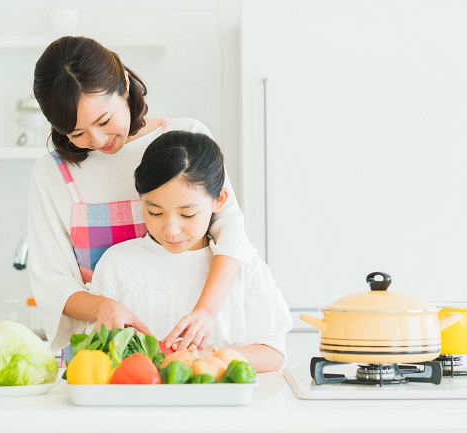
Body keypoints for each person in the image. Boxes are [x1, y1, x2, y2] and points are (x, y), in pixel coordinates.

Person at [28, 36, 257, 352]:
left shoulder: (184, 139)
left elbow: (230, 229)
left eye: (104, 120)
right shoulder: (52, 173)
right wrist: (102, 307)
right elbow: (52, 281)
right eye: (77, 133)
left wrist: (206, 311)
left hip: (197, 346)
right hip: (104, 354)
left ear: (123, 84)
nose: (97, 140)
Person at [86, 131, 292, 372]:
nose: (171, 230)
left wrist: (204, 358)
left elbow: (274, 353)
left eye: (187, 214)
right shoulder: (118, 264)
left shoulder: (243, 267)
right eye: (155, 212)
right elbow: (96, 355)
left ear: (219, 200)